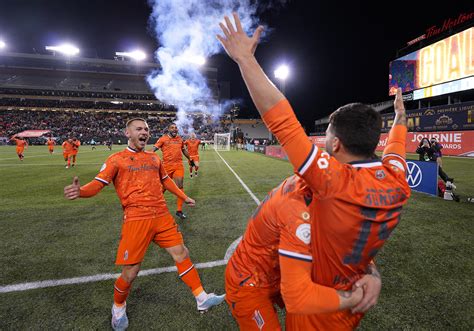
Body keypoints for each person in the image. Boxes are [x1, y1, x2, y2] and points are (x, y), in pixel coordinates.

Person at [217, 13, 411, 329]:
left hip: (316, 299)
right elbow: (396, 147)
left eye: (327, 138)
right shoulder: (398, 180)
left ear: (334, 146)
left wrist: (244, 60)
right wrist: (400, 116)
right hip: (332, 290)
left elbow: (282, 121)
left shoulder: (330, 183)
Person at [64, 118, 225, 330]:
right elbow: (97, 184)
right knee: (131, 272)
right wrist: (81, 191)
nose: (144, 132)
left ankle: (201, 297)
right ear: (127, 133)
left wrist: (183, 196)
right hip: (136, 219)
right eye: (139, 129)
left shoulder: (153, 158)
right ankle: (118, 307)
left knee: (182, 253)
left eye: (146, 129)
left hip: (161, 215)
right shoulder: (116, 159)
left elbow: (166, 180)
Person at [226, 175, 382, 330]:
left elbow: (345, 241)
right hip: (249, 281)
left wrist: (373, 273)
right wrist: (354, 298)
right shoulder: (299, 210)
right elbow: (297, 296)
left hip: (276, 273)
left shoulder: (315, 187)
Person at [153, 123, 192, 219]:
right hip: (166, 167)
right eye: (172, 128)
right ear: (168, 129)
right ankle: (153, 207)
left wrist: (190, 159)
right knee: (162, 189)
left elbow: (184, 150)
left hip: (178, 166)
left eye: (176, 128)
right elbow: (154, 149)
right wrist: (145, 156)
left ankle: (179, 210)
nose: (175, 129)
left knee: (179, 186)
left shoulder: (180, 139)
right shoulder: (163, 139)